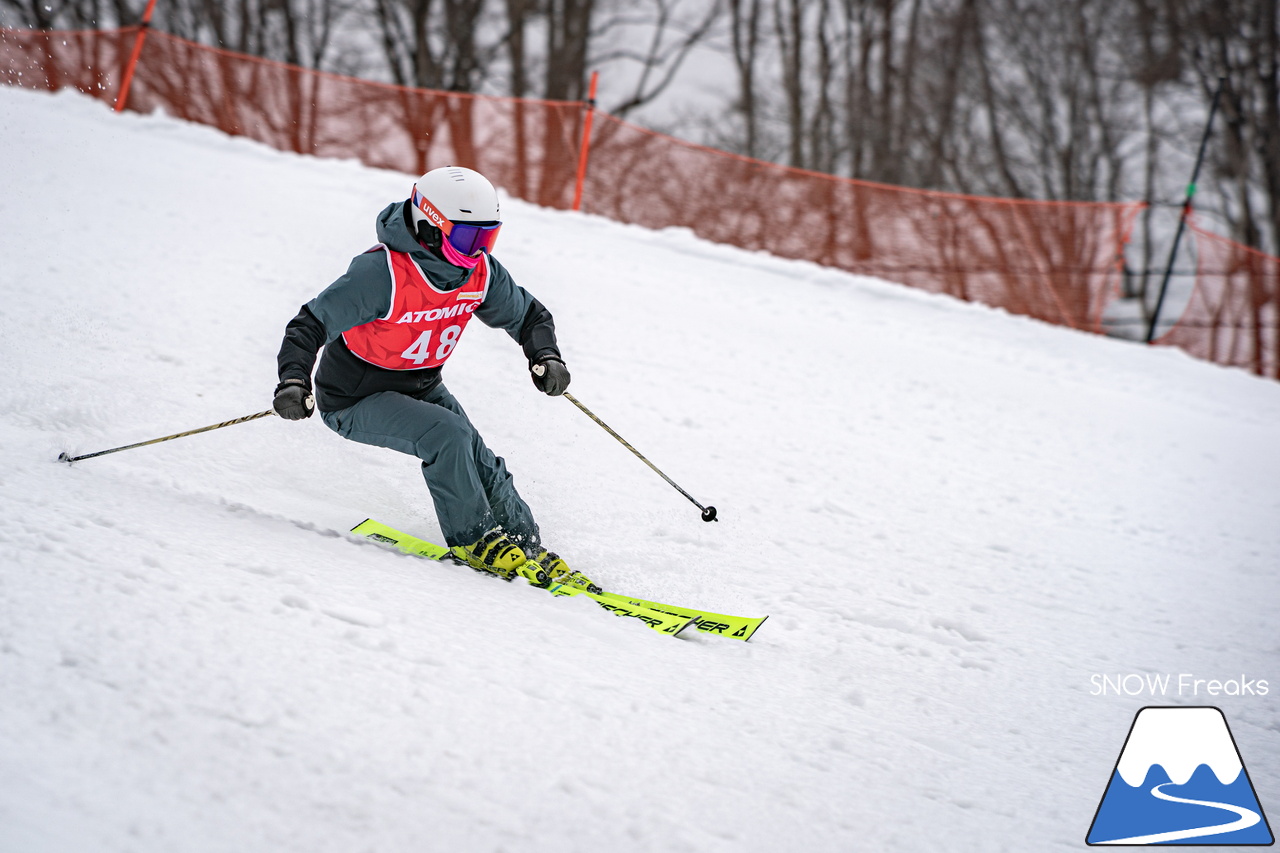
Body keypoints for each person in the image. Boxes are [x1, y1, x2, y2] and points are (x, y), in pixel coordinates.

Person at [272, 165, 591, 591]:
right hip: (354, 397)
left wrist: (545, 355)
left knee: (480, 460)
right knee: (447, 435)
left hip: (421, 386)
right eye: (467, 237)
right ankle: (474, 540)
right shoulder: (383, 273)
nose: (477, 250)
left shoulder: (480, 273)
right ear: (430, 226)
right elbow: (309, 324)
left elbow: (530, 316)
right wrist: (294, 382)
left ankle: (525, 546)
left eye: (487, 237)